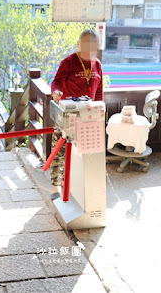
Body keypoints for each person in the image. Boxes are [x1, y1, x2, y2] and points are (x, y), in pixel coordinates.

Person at [48, 29, 104, 199]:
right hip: (67, 115)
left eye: (93, 45)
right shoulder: (69, 62)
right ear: (79, 44)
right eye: (86, 45)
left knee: (85, 153)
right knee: (60, 151)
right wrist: (56, 91)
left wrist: (101, 112)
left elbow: (99, 90)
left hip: (89, 116)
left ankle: (78, 186)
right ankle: (56, 188)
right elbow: (56, 82)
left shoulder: (97, 64)